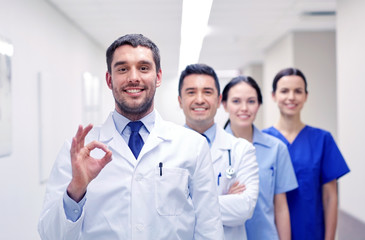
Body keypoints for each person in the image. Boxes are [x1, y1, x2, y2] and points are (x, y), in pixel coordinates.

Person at [38, 34, 224, 240]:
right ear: (109, 79)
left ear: (158, 77)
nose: (133, 77)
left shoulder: (192, 146)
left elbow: (210, 229)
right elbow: (50, 235)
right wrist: (76, 190)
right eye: (122, 69)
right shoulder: (78, 151)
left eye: (144, 68)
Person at [263, 67, 350, 240]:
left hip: (311, 232)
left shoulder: (322, 139)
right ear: (274, 96)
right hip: (270, 232)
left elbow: (330, 197)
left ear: (306, 96)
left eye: (298, 91)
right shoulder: (262, 141)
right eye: (284, 91)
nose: (291, 97)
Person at [177, 64, 259, 240]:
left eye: (207, 92)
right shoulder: (163, 150)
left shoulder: (242, 150)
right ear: (180, 100)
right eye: (191, 92)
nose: (200, 99)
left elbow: (245, 207)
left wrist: (184, 202)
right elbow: (158, 209)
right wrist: (222, 199)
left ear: (218, 99)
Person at [221, 75, 298, 240]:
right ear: (224, 105)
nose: (244, 108)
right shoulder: (209, 148)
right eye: (236, 101)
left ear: (259, 105)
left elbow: (281, 206)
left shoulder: (276, 148)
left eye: (251, 101)